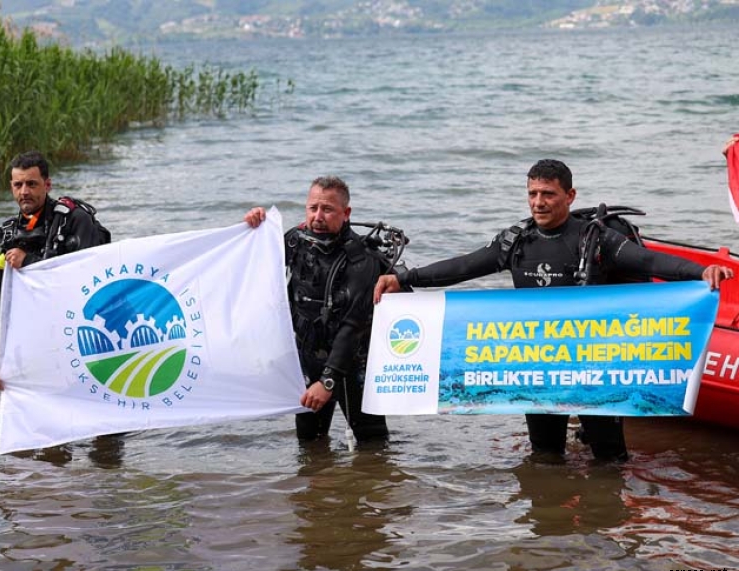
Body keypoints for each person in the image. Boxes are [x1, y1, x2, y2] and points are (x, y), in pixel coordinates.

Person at [374, 159, 734, 461]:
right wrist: (405, 277)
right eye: (532, 194)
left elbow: (649, 261)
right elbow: (465, 266)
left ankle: (604, 519)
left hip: (595, 366)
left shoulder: (594, 239)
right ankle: (548, 520)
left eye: (548, 194)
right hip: (539, 366)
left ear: (569, 196)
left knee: (609, 457)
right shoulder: (516, 241)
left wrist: (700, 272)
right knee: (545, 455)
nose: (538, 202)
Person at [244, 176, 390, 443]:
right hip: (308, 359)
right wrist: (256, 226)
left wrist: (328, 380)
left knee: (374, 447)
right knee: (309, 445)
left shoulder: (361, 260)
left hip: (352, 362)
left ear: (346, 213)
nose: (318, 216)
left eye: (327, 209)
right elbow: (250, 262)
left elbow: (353, 326)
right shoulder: (295, 242)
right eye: (313, 208)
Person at [0, 151, 104, 390]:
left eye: (31, 184)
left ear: (47, 185)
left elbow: (88, 283)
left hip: (79, 338)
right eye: (18, 185)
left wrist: (28, 262)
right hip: (32, 344)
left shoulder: (75, 221)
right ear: (11, 187)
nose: (24, 191)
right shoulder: (6, 234)